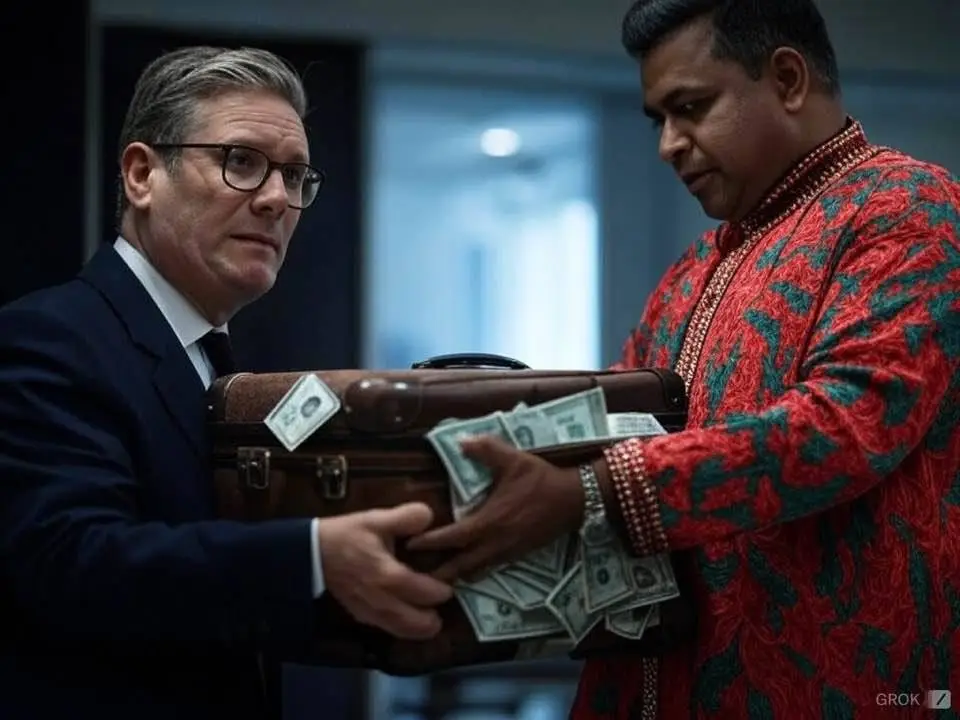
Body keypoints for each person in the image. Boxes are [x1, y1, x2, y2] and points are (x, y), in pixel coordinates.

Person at [408, 1, 960, 717]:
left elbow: (844, 427)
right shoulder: (695, 268)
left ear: (787, 80)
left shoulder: (910, 210)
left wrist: (592, 491)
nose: (669, 145)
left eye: (691, 108)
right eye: (659, 120)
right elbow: (612, 424)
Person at [0, 46, 452, 720]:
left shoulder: (223, 363)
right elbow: (72, 562)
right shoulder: (47, 336)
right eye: (241, 161)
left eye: (294, 176)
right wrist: (312, 557)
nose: (276, 200)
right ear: (142, 175)